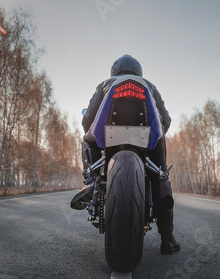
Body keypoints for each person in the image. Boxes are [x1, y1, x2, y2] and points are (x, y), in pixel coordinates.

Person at [70, 54, 180, 255]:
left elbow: (88, 120)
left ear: (115, 70)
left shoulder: (105, 84)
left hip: (106, 138)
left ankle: (90, 179)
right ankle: (168, 238)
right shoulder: (149, 85)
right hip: (147, 140)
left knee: (86, 139)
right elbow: (166, 120)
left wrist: (89, 126)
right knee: (161, 175)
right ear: (138, 70)